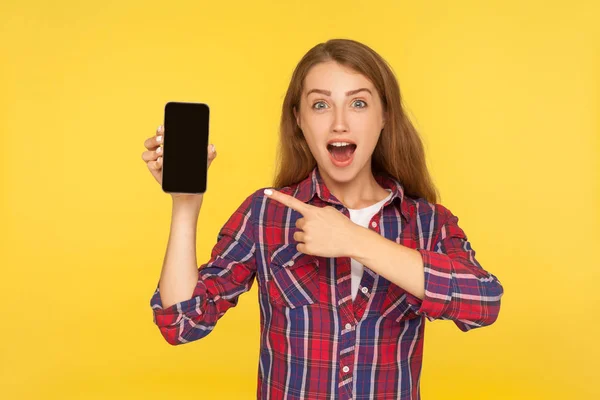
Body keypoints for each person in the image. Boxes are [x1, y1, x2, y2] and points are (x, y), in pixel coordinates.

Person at [142, 38, 504, 400]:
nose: (339, 124)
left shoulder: (426, 222)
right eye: (320, 105)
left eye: (358, 103)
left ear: (384, 117)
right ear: (298, 119)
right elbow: (182, 324)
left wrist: (354, 240)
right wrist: (185, 206)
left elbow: (483, 304)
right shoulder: (266, 213)